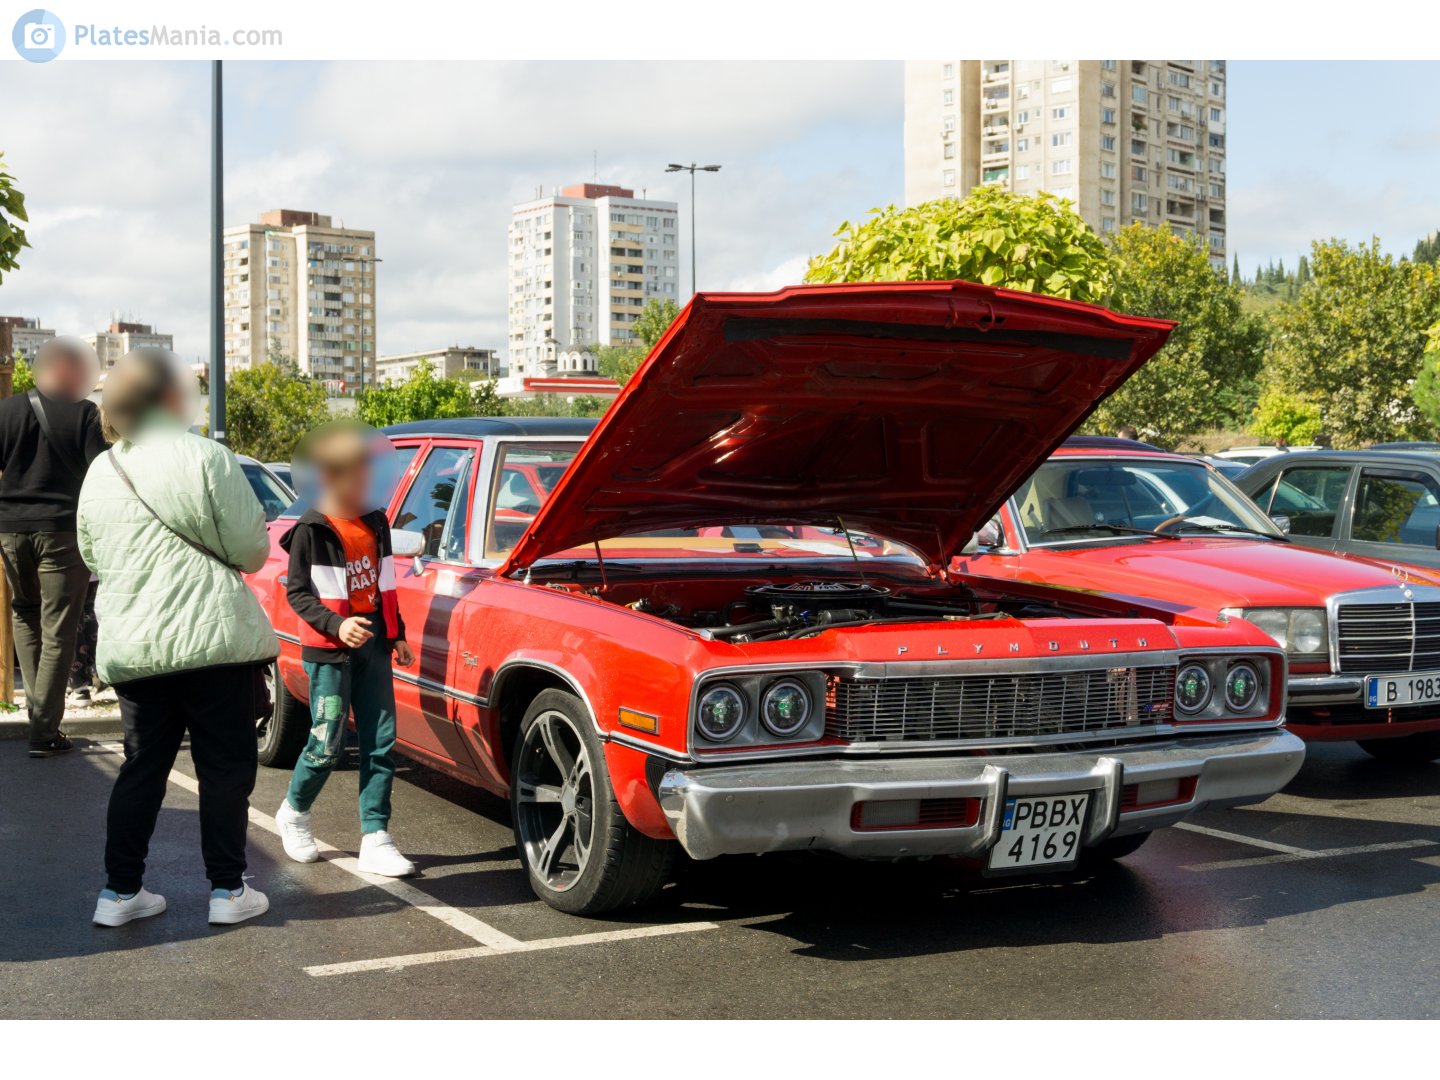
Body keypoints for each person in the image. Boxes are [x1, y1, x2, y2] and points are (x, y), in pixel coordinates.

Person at [77, 349, 277, 927]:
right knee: (223, 768)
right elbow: (252, 549)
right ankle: (226, 890)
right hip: (211, 638)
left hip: (136, 644)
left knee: (141, 767)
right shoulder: (208, 457)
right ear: (171, 398)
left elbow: (92, 554)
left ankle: (118, 893)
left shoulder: (102, 469)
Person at [275, 422, 416, 877]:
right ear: (331, 477)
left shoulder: (376, 520)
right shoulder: (310, 529)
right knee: (325, 741)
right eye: (356, 474)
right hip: (330, 651)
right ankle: (294, 812)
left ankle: (376, 835)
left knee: (380, 741)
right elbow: (297, 594)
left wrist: (396, 632)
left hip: (374, 644)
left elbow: (386, 582)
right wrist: (337, 625)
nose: (365, 482)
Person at [0, 337, 107, 758]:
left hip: (10, 529)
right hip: (63, 531)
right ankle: (44, 729)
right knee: (59, 628)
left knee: (24, 613)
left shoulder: (5, 410)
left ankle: (39, 715)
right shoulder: (86, 416)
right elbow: (101, 478)